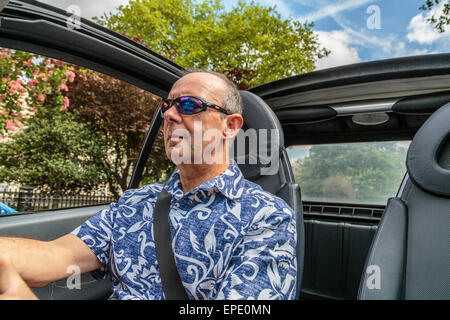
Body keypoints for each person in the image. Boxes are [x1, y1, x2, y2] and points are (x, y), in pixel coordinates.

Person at [0, 70, 297, 300]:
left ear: (230, 126)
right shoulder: (136, 203)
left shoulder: (266, 217)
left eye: (189, 105)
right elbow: (56, 257)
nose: (168, 115)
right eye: (167, 106)